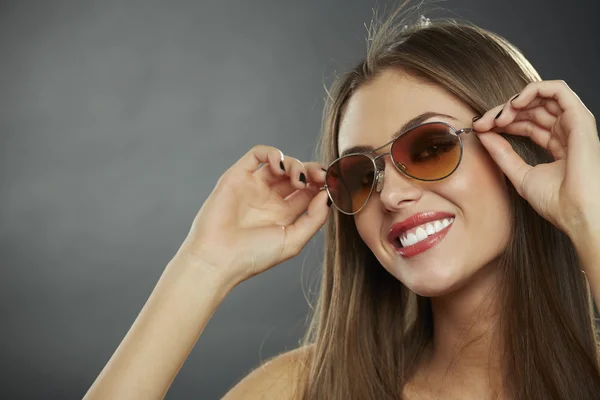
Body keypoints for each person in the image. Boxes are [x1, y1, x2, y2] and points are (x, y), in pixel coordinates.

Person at [83, 4, 600, 399]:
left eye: (429, 147)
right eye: (359, 175)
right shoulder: (303, 389)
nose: (392, 194)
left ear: (520, 147)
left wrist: (589, 215)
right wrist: (202, 265)